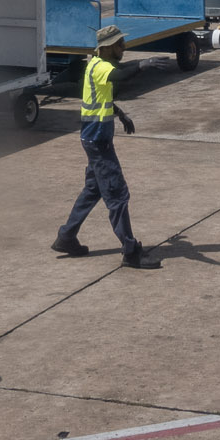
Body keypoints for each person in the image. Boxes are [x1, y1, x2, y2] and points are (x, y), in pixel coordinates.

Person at [55, 26, 157, 268]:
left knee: (93, 189)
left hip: (93, 137)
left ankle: (66, 237)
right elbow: (119, 75)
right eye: (120, 44)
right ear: (108, 47)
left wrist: (119, 113)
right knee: (117, 193)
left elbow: (100, 98)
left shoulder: (94, 64)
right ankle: (130, 250)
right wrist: (144, 65)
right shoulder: (102, 67)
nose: (124, 47)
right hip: (98, 141)